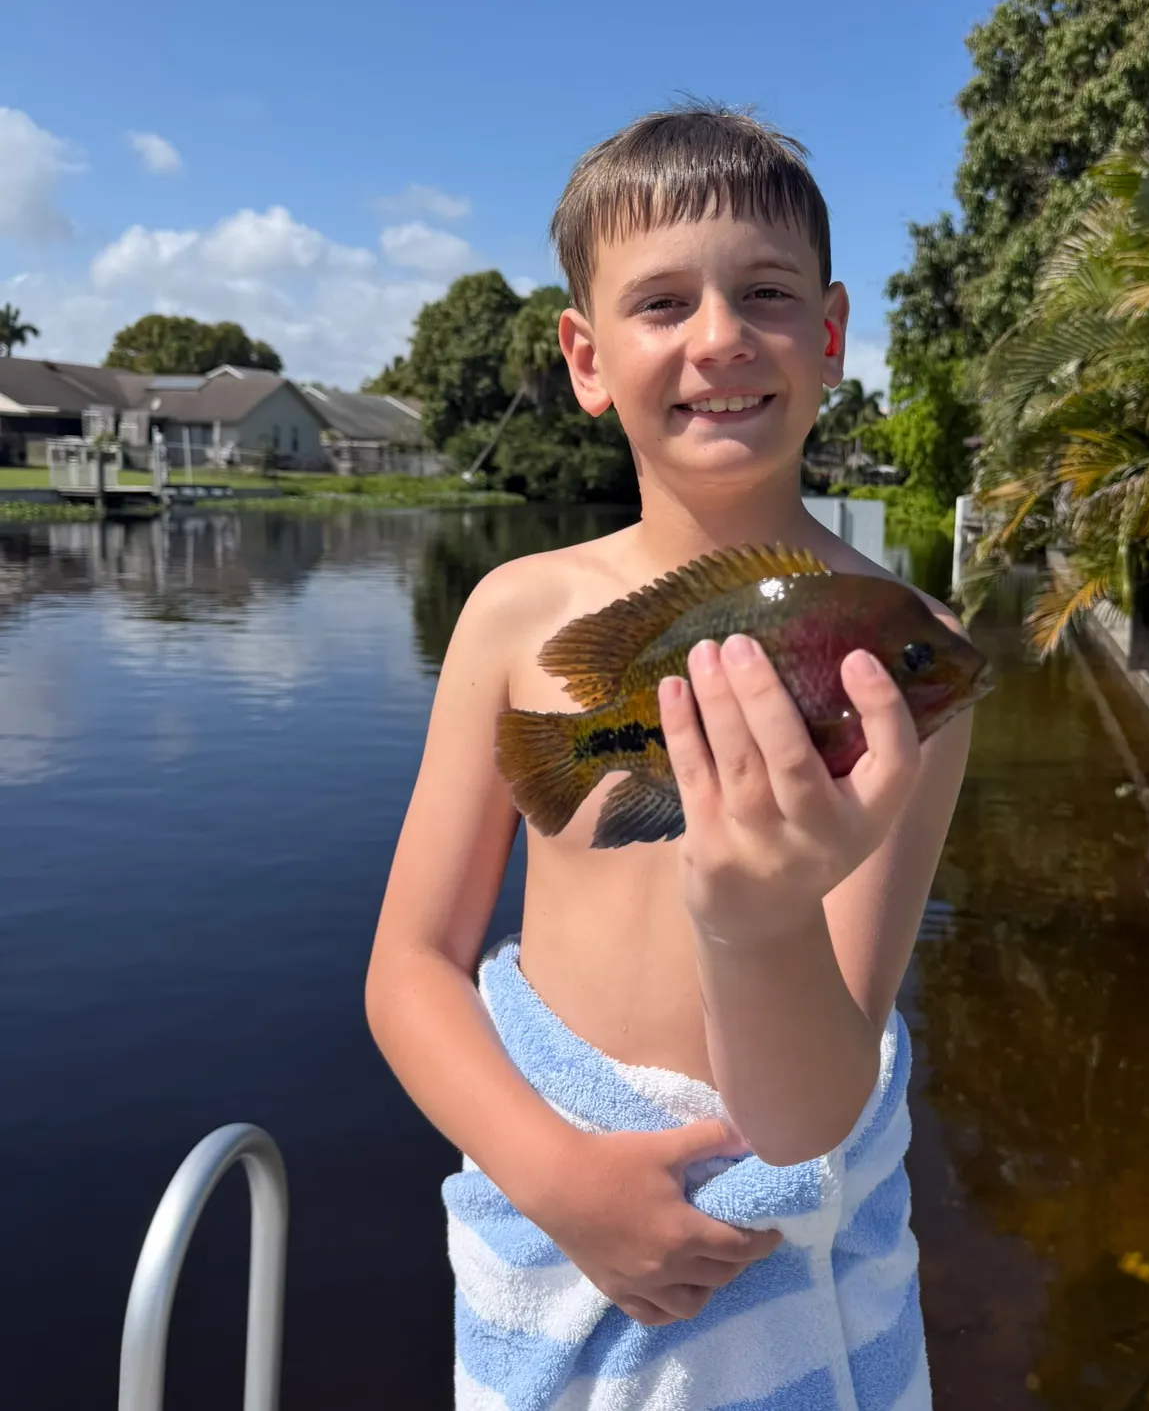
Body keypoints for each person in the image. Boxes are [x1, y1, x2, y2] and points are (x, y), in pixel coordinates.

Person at [365, 105, 976, 1410]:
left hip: (784, 1251)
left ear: (829, 337)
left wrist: (757, 923)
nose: (718, 338)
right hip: (556, 1209)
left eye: (764, 293)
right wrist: (557, 1173)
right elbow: (409, 968)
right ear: (585, 356)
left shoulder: (905, 654)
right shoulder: (517, 618)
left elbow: (815, 1113)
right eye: (661, 303)